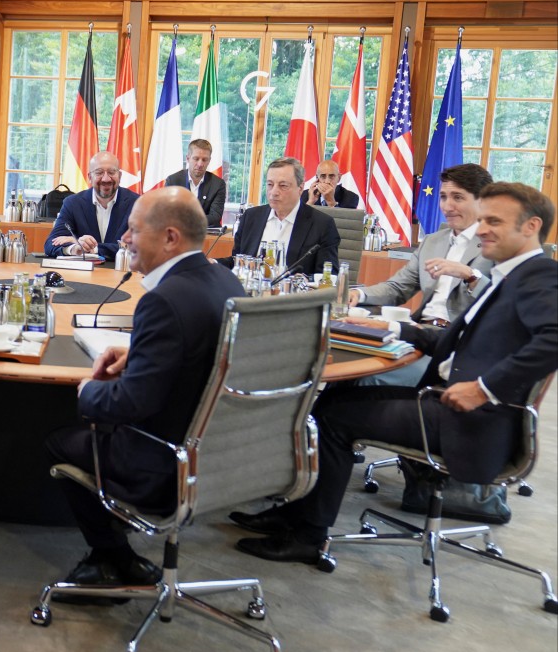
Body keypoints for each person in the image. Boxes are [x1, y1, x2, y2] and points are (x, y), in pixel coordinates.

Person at [230, 181, 557, 564]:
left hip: (467, 420)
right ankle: (295, 511)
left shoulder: (539, 275)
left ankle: (308, 536)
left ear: (531, 226)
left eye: (494, 221)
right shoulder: (509, 274)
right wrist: (391, 329)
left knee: (330, 418)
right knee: (334, 396)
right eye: (482, 219)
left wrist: (483, 389)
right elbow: (459, 340)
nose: (481, 228)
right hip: (446, 400)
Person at [45, 186, 245, 600]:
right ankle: (116, 559)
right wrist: (139, 351)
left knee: (60, 440)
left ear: (171, 238)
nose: (125, 239)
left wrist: (85, 391)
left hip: (164, 463)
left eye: (134, 230)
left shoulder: (164, 301)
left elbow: (131, 404)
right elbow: (202, 351)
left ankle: (112, 558)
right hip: (222, 456)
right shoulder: (224, 280)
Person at [349, 164, 495, 386]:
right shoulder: (432, 241)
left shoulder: (494, 245)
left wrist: (471, 276)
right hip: (417, 333)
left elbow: (501, 305)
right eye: (444, 197)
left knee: (367, 377)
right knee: (349, 363)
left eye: (458, 197)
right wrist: (359, 295)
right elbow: (397, 288)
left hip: (456, 345)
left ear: (482, 202)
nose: (448, 206)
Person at [218, 157, 340, 276]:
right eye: (270, 184)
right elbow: (237, 262)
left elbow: (329, 275)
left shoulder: (322, 225)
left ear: (301, 188)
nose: (274, 192)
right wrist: (213, 263)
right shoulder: (251, 217)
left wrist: (304, 280)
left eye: (283, 186)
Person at [43, 151, 139, 260]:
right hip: (83, 276)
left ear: (120, 175)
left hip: (122, 274)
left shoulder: (137, 204)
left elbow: (140, 246)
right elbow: (50, 245)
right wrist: (75, 248)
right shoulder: (73, 203)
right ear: (89, 176)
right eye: (99, 172)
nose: (106, 179)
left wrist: (91, 248)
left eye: (112, 172)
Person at [164, 138, 227, 227]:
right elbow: (167, 212)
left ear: (209, 161)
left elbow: (215, 216)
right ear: (188, 158)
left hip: (206, 236)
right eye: (196, 159)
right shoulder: (173, 181)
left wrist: (188, 222)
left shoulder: (218, 184)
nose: (200, 164)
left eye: (204, 160)